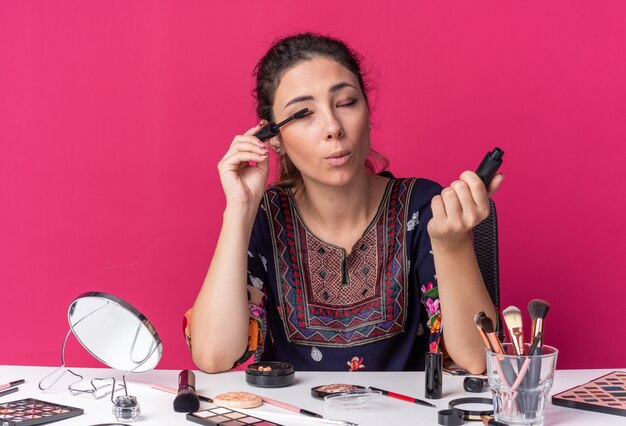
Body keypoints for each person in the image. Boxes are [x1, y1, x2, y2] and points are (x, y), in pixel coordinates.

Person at [187, 33, 502, 373]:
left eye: (347, 102)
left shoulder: (423, 207)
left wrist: (451, 243)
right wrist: (239, 210)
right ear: (273, 138)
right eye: (303, 113)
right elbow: (214, 356)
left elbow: (478, 361)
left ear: (367, 110)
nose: (333, 127)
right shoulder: (263, 215)